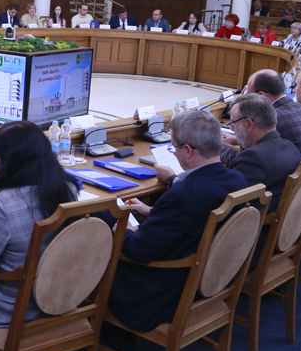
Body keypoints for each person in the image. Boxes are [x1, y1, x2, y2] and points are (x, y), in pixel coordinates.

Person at [104, 111, 248, 331]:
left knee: (101, 223)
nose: (175, 153)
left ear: (188, 150)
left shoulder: (182, 195)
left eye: (174, 148)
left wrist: (127, 231)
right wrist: (153, 212)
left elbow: (140, 250)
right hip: (206, 280)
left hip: (159, 295)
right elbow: (194, 219)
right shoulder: (238, 179)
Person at [0, 122, 77, 328]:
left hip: (7, 306)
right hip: (56, 295)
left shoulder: (0, 203)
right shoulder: (67, 187)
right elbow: (26, 200)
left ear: (13, 161)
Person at [219, 94, 301, 216]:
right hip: (284, 220)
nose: (233, 129)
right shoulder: (290, 147)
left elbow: (227, 203)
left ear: (249, 124)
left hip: (254, 225)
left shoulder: (253, 158)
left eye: (234, 123)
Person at [242, 70, 301, 165]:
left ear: (261, 96)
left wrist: (227, 147)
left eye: (249, 95)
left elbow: (248, 157)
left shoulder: (271, 118)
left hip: (291, 173)